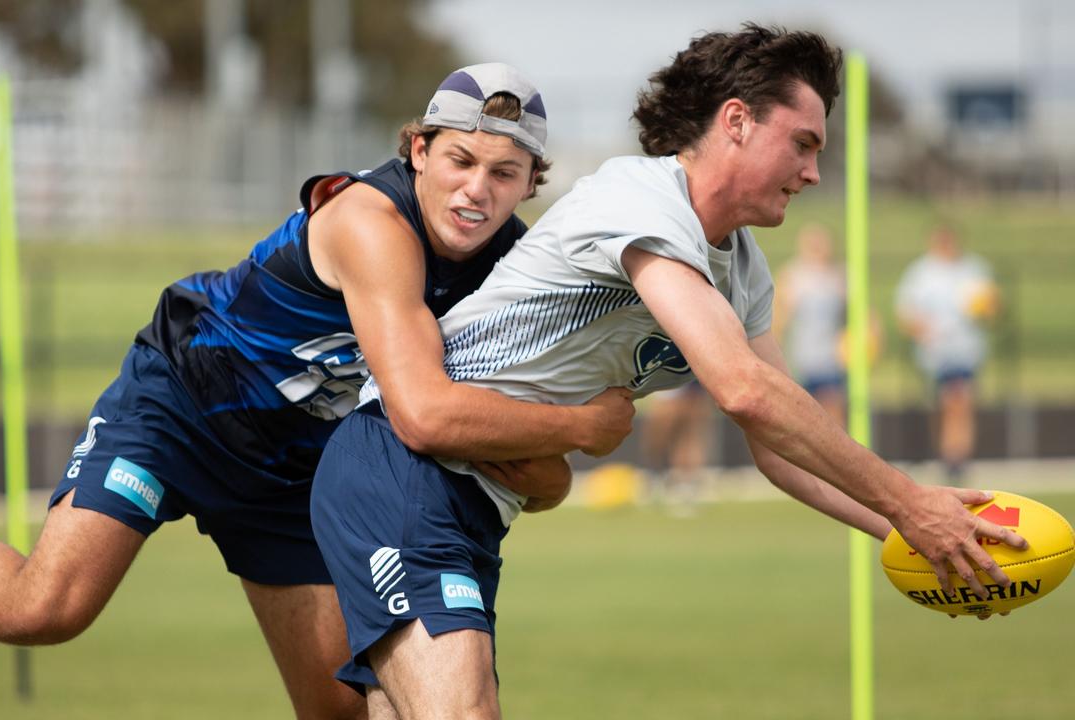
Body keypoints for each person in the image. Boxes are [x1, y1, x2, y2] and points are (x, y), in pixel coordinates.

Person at [0, 63, 637, 718]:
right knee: (45, 607)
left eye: (502, 171)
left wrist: (559, 453)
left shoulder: (514, 276)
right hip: (187, 403)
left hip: (298, 467)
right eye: (458, 159)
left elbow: (537, 474)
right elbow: (426, 414)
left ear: (532, 183)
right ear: (417, 150)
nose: (474, 190)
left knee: (341, 708)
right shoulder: (370, 223)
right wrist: (584, 427)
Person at [310, 25, 1028, 719]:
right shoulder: (641, 199)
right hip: (401, 470)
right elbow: (744, 391)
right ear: (737, 121)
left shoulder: (741, 269)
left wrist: (929, 540)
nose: (812, 172)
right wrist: (911, 502)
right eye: (802, 144)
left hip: (474, 503)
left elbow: (782, 450)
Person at [895, 223, 999, 483]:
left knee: (960, 400)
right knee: (947, 404)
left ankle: (956, 459)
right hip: (934, 354)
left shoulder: (975, 269)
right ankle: (949, 454)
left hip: (966, 350)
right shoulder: (921, 273)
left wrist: (986, 308)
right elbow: (905, 315)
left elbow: (993, 306)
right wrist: (924, 331)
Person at [772, 222, 847, 426]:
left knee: (833, 416)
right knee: (802, 420)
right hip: (801, 360)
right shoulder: (792, 275)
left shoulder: (839, 276)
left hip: (831, 360)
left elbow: (856, 316)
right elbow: (778, 320)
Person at [639, 381, 712, 515]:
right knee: (659, 430)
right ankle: (654, 475)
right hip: (667, 371)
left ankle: (686, 486)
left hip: (693, 375)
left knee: (690, 430)